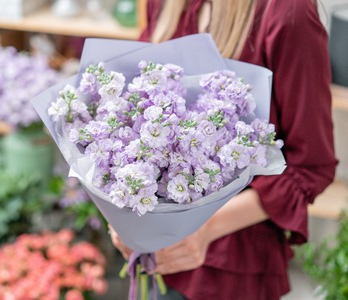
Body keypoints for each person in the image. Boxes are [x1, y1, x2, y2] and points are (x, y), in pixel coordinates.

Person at [109, 0, 338, 299]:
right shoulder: (166, 4)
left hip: (229, 270)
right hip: (155, 260)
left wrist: (203, 231)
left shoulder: (286, 12)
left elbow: (310, 167)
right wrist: (123, 212)